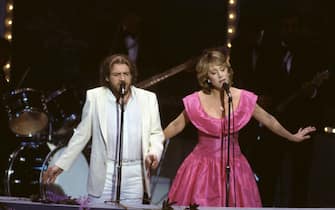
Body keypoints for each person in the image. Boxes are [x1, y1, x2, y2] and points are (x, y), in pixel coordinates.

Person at [163, 49, 316, 207]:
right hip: (201, 168)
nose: (221, 75)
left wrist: (292, 136)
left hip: (234, 168)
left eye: (223, 70)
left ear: (228, 71)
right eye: (214, 73)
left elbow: (268, 119)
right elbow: (177, 124)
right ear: (207, 78)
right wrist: (155, 139)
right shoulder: (196, 100)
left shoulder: (243, 97)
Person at [42, 54, 165, 204]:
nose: (122, 79)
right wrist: (61, 164)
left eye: (126, 74)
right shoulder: (95, 97)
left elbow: (156, 133)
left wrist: (154, 152)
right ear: (107, 77)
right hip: (105, 171)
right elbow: (82, 134)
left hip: (135, 173)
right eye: (116, 74)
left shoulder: (148, 99)